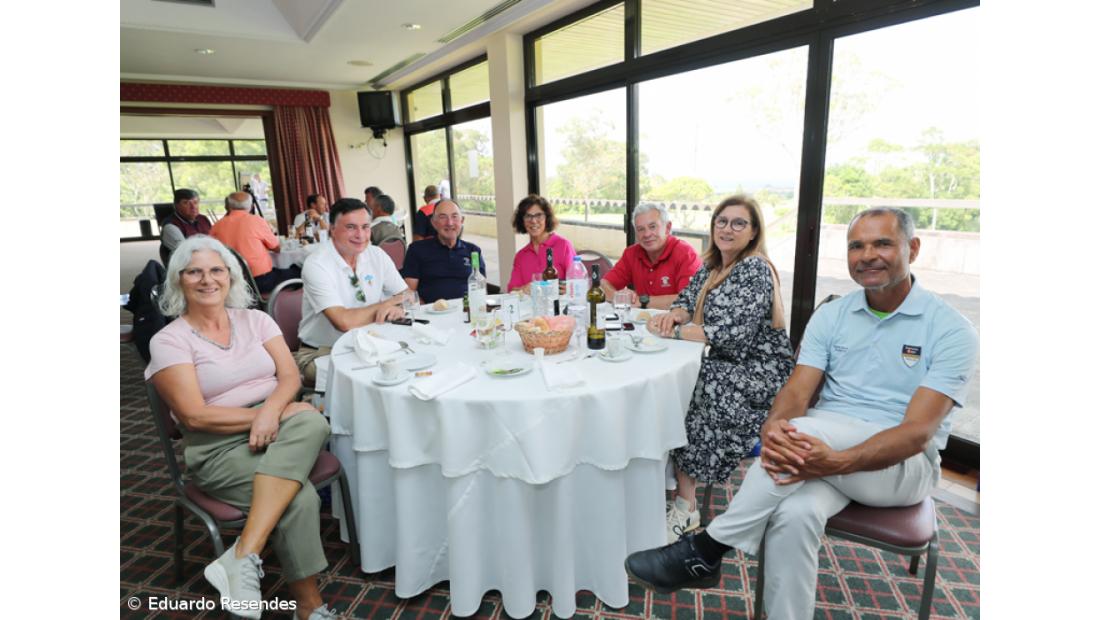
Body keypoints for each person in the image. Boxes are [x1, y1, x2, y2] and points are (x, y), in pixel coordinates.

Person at [625, 207, 978, 620]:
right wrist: (775, 426)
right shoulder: (832, 315)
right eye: (856, 246)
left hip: (902, 466)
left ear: (912, 249)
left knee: (805, 433)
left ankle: (707, 549)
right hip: (819, 451)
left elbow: (917, 433)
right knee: (793, 514)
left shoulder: (950, 329)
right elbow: (796, 390)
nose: (867, 255)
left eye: (882, 243)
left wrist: (834, 459)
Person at [145, 235, 339, 620]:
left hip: (281, 429)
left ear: (231, 277)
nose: (207, 279)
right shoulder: (169, 341)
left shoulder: (257, 320)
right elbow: (194, 416)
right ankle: (309, 606)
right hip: (217, 447)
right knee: (297, 496)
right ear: (178, 280)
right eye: (194, 272)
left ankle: (241, 555)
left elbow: (288, 378)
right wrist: (268, 416)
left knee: (312, 420)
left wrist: (271, 413)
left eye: (217, 270)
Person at [645, 196, 794, 542]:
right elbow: (685, 298)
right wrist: (675, 315)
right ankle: (663, 481)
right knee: (678, 380)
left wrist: (678, 331)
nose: (727, 229)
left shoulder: (755, 269)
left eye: (739, 223)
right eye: (722, 221)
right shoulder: (712, 265)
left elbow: (733, 335)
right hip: (724, 358)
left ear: (754, 231)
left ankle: (686, 507)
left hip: (758, 371)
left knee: (696, 387)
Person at [294, 198, 407, 385]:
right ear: (332, 229)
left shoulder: (376, 254)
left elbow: (407, 295)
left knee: (408, 365)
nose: (360, 235)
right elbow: (344, 322)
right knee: (377, 376)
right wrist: (387, 304)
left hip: (372, 344)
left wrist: (399, 307)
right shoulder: (317, 264)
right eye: (351, 227)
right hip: (321, 351)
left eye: (365, 227)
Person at [600, 203, 702, 310]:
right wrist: (618, 297)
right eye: (640, 229)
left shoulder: (686, 254)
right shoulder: (631, 253)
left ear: (667, 228)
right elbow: (604, 284)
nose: (647, 234)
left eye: (652, 227)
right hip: (640, 321)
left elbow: (689, 299)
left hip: (675, 323)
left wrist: (641, 300)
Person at [401, 200, 485, 303]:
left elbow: (481, 288)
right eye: (443, 217)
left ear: (462, 220)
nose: (449, 223)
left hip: (467, 312)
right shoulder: (416, 250)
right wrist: (425, 310)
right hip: (430, 314)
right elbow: (409, 292)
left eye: (454, 216)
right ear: (434, 223)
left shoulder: (473, 251)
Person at [210, 191, 295, 293]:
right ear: (250, 206)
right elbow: (276, 248)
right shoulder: (256, 220)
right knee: (300, 271)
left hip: (231, 283)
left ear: (228, 206)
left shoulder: (217, 225)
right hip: (259, 282)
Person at [506, 194, 576, 293]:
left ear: (547, 218)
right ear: (522, 221)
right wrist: (524, 289)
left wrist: (569, 289)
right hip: (530, 307)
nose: (533, 221)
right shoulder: (521, 256)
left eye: (539, 215)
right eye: (528, 216)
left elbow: (578, 284)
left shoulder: (564, 246)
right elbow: (512, 290)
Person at [160, 188, 213, 263]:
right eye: (186, 203)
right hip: (186, 266)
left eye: (195, 202)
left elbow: (213, 241)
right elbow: (184, 253)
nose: (193, 206)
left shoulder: (203, 219)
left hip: (207, 259)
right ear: (176, 206)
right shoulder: (170, 226)